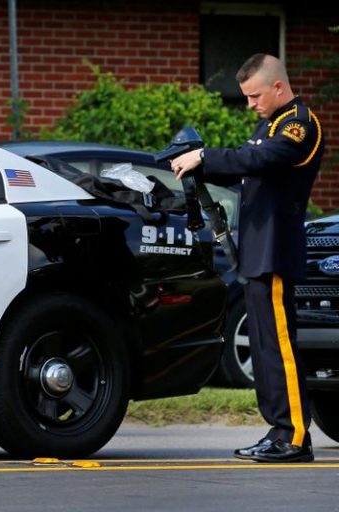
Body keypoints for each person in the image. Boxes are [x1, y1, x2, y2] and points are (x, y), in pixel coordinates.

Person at [171, 53, 324, 463]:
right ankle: (278, 430)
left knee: (278, 347)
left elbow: (262, 159)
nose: (251, 103)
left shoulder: (298, 124)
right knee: (262, 346)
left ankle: (293, 435)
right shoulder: (268, 124)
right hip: (258, 251)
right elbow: (243, 169)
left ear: (278, 87)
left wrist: (205, 157)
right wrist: (197, 163)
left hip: (274, 251)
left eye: (255, 95)